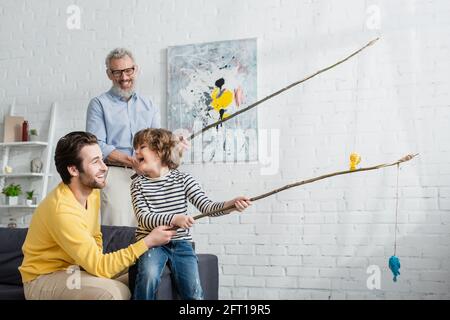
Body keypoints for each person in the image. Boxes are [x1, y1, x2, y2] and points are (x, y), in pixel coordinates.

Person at [19, 131, 176, 300]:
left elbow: (95, 237)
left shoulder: (91, 192)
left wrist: (97, 268)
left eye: (102, 158)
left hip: (75, 270)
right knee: (113, 293)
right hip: (43, 279)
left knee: (140, 276)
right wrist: (148, 241)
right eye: (95, 162)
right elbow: (100, 266)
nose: (104, 167)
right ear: (73, 169)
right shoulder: (62, 210)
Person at [130, 128, 252, 300]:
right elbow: (144, 218)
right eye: (135, 148)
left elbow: (208, 207)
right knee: (148, 276)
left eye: (142, 146)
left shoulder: (184, 180)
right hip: (151, 244)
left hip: (181, 244)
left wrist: (231, 205)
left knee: (194, 290)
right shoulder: (138, 185)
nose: (136, 151)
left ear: (160, 151)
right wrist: (174, 219)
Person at [86, 48, 167, 227]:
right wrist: (132, 162)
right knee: (117, 230)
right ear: (109, 74)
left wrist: (173, 145)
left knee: (147, 229)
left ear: (135, 70)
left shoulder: (150, 105)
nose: (124, 78)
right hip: (114, 175)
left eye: (128, 70)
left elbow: (158, 142)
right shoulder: (99, 104)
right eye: (117, 72)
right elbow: (96, 145)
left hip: (148, 176)